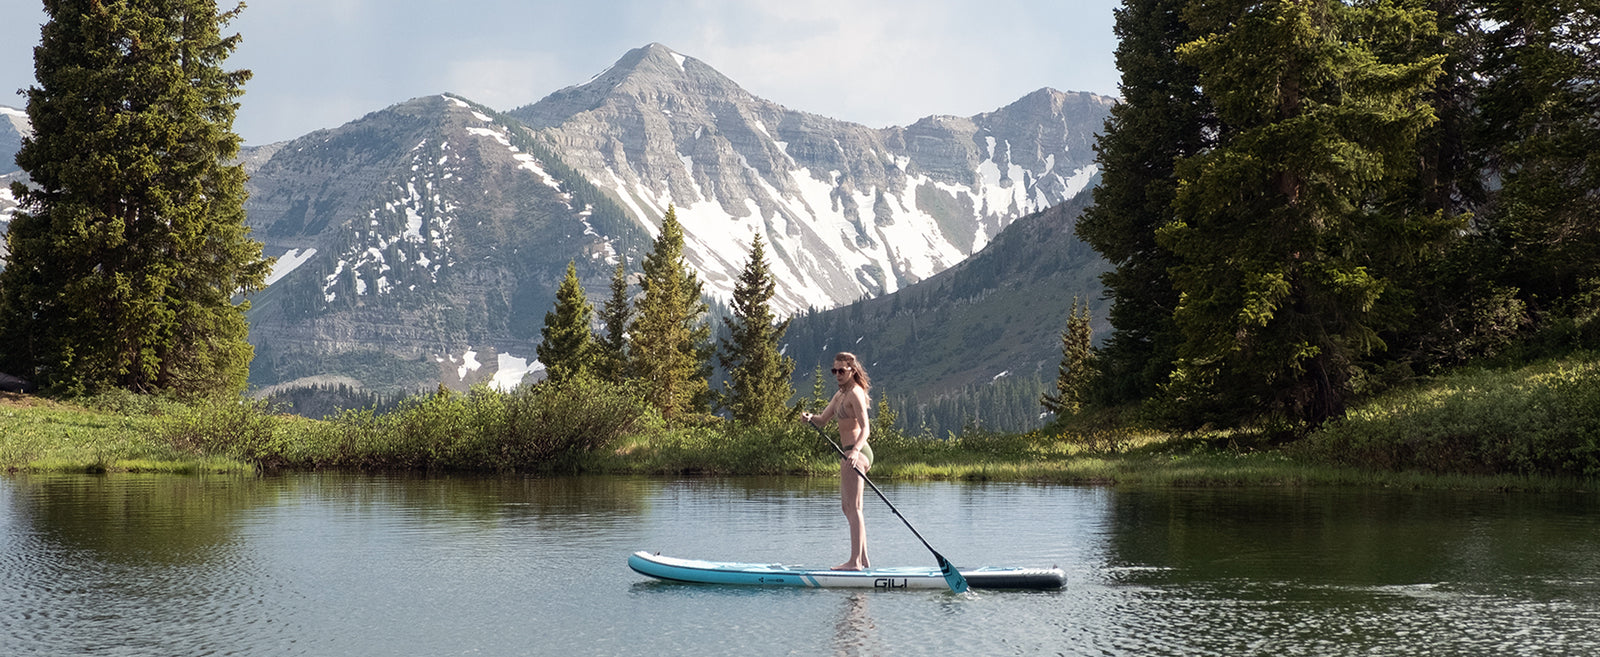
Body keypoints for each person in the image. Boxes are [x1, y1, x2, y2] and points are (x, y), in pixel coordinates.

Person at [802, 352, 874, 571]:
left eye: (841, 370)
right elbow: (823, 420)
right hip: (848, 452)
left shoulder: (856, 393)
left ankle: (855, 562)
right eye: (834, 371)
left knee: (854, 507)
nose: (837, 374)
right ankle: (863, 559)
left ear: (852, 370)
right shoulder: (839, 395)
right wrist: (810, 418)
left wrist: (855, 451)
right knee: (848, 507)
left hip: (857, 452)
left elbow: (866, 428)